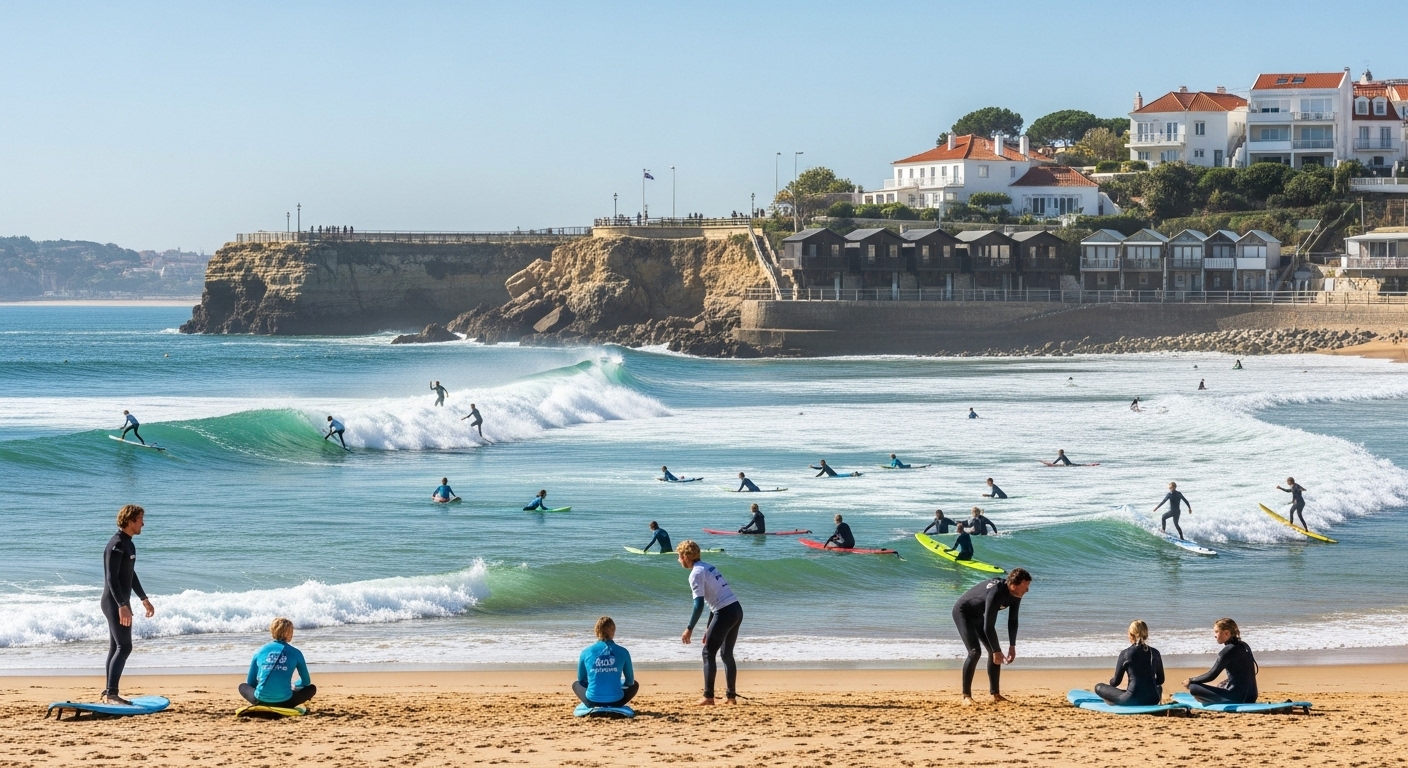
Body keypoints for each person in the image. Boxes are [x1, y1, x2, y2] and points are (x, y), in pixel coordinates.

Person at [951, 568, 1031, 705]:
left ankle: (996, 694)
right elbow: (988, 627)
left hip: (977, 615)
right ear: (1014, 585)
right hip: (963, 612)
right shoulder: (996, 592)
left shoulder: (1016, 595)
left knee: (994, 652)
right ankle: (966, 696)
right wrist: (996, 650)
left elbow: (1013, 620)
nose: (1027, 590)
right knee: (975, 652)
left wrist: (1012, 646)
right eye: (1026, 585)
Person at [100, 504, 155, 705]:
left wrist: (143, 598)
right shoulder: (116, 544)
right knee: (124, 647)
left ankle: (109, 692)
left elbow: (130, 574)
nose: (143, 523)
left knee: (116, 647)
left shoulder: (129, 544)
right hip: (114, 602)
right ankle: (112, 694)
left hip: (121, 601)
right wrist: (121, 604)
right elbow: (111, 577)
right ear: (130, 521)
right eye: (140, 519)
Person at [677, 540, 742, 706]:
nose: (678, 560)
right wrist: (709, 628)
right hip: (736, 610)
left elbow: (698, 605)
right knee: (726, 654)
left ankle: (708, 697)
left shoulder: (695, 574)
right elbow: (716, 601)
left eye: (679, 556)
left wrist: (689, 628)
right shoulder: (708, 567)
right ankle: (731, 697)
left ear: (685, 556)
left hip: (725, 613)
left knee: (708, 653)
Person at [240, 617, 316, 709]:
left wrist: (267, 690)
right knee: (311, 688)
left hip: (260, 701)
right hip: (286, 702)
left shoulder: (259, 651)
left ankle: (264, 698)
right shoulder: (296, 653)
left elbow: (251, 682)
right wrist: (294, 686)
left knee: (242, 686)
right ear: (289, 633)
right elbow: (306, 682)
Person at [1184, 618, 1259, 705]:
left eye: (1216, 632)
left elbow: (1211, 675)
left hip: (1237, 698)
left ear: (1227, 633)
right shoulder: (1244, 645)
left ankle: (1214, 700)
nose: (1214, 635)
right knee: (1222, 684)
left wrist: (1191, 680)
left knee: (1193, 687)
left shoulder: (1227, 651)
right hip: (1252, 696)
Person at [1094, 620, 1164, 706]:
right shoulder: (1155, 652)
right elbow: (1160, 680)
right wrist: (1147, 685)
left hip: (1131, 699)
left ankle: (1114, 701)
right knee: (1158, 687)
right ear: (1146, 634)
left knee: (1099, 687)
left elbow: (1116, 682)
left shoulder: (1125, 654)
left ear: (1131, 635)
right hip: (1153, 699)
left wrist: (1111, 683)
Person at [574, 617, 638, 708]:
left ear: (596, 631)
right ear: (613, 631)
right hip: (617, 701)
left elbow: (581, 680)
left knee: (576, 684)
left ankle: (596, 695)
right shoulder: (623, 652)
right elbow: (630, 681)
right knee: (635, 685)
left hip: (592, 701)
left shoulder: (586, 652)